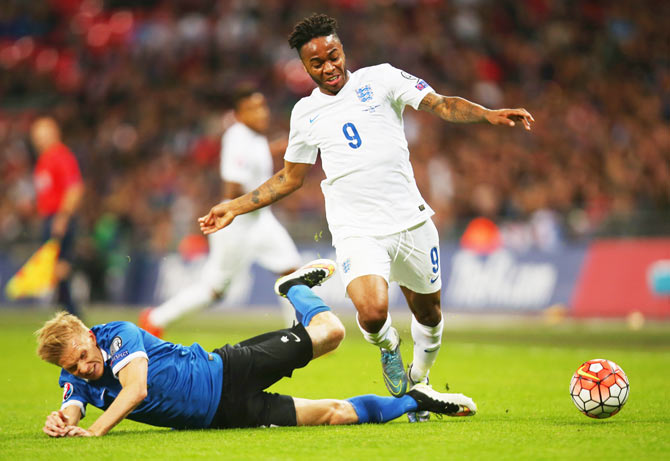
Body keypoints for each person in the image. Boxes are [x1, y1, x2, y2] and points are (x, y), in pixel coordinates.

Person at [198, 14, 533, 422]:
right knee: (373, 313)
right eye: (317, 63)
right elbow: (290, 178)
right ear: (305, 68)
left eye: (333, 56)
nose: (329, 67)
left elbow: (441, 104)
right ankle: (388, 346)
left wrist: (488, 114)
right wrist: (234, 206)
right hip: (357, 229)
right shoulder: (305, 114)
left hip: (410, 220)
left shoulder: (383, 79)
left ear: (342, 50)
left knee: (430, 314)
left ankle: (420, 382)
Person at [37, 259, 476, 437]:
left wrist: (95, 432)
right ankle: (415, 400)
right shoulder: (75, 375)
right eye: (71, 367)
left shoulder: (117, 335)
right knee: (335, 414)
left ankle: (295, 289)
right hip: (224, 417)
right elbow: (72, 405)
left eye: (80, 356)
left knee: (331, 333)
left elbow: (136, 392)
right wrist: (62, 422)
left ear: (88, 335)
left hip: (225, 372)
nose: (82, 368)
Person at [140, 86, 302, 338]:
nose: (261, 114)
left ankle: (302, 334)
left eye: (263, 107)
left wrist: (275, 149)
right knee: (214, 289)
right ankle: (155, 319)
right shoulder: (237, 137)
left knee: (291, 269)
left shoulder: (255, 136)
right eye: (252, 109)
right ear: (238, 115)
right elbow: (233, 185)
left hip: (260, 219)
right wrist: (268, 192)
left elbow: (252, 161)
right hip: (236, 222)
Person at [30, 116, 84, 317]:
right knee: (55, 268)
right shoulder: (44, 159)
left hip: (59, 218)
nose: (38, 138)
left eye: (42, 133)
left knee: (60, 267)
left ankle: (71, 313)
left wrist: (62, 217)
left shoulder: (60, 156)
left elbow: (75, 188)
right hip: (50, 218)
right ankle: (67, 313)